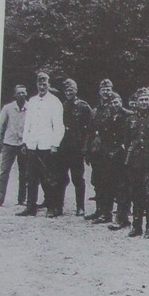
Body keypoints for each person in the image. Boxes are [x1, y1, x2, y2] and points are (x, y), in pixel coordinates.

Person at [17, 71, 66, 217]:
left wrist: (55, 144)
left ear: (48, 85)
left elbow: (58, 125)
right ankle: (31, 207)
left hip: (47, 145)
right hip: (33, 144)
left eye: (44, 84)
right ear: (36, 85)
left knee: (49, 179)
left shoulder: (54, 102)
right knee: (31, 178)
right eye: (40, 84)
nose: (42, 87)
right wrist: (25, 141)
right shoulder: (32, 101)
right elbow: (28, 124)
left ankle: (52, 207)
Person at [117, 88, 149, 237]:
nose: (144, 102)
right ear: (136, 102)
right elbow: (126, 140)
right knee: (135, 194)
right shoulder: (130, 119)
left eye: (146, 99)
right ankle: (136, 227)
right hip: (134, 162)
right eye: (141, 100)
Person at [87, 91, 129, 225]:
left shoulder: (128, 116)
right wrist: (107, 151)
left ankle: (122, 218)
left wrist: (117, 150)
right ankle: (106, 214)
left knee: (122, 188)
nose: (114, 105)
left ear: (121, 102)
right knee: (107, 185)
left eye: (116, 102)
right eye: (111, 103)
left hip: (122, 157)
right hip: (108, 156)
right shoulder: (108, 118)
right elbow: (104, 137)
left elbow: (128, 138)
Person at [56, 78, 94, 216]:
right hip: (63, 147)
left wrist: (85, 147)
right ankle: (59, 206)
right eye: (66, 90)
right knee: (61, 178)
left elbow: (89, 130)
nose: (69, 92)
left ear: (76, 90)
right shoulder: (62, 105)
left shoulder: (83, 106)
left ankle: (80, 207)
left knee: (78, 178)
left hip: (77, 148)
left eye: (71, 90)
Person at [0, 85, 28, 207]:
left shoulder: (31, 108)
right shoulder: (7, 108)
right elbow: (1, 126)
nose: (21, 95)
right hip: (9, 143)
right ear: (15, 95)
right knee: (4, 171)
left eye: (23, 93)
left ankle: (22, 198)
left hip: (23, 144)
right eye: (19, 93)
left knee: (24, 172)